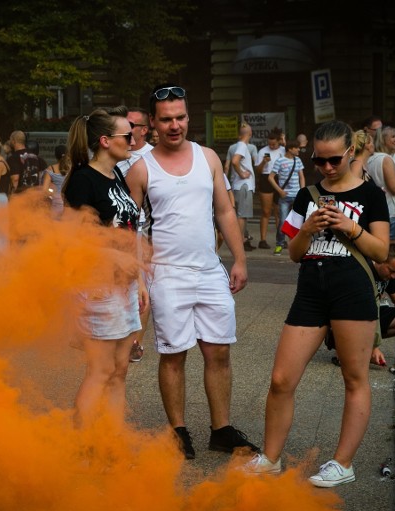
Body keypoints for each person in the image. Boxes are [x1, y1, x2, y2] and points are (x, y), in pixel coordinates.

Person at [242, 120, 389, 487]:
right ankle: (271, 458)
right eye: (318, 161)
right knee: (281, 379)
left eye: (333, 160)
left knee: (353, 378)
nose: (326, 168)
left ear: (351, 153)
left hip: (352, 292)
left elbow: (383, 251)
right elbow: (294, 254)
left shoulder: (371, 195)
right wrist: (306, 230)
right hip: (310, 291)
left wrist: (350, 226)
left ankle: (343, 462)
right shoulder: (308, 195)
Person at [126, 84, 257, 460]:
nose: (174, 125)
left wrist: (240, 259)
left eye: (180, 117)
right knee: (174, 354)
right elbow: (130, 227)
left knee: (219, 352)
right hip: (167, 274)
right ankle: (178, 430)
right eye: (166, 119)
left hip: (209, 271)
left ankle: (221, 429)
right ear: (152, 122)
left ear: (188, 117)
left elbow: (225, 211)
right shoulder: (141, 168)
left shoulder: (208, 157)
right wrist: (138, 277)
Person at [61, 106, 148, 426]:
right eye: (127, 134)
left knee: (120, 370)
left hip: (123, 287)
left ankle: (112, 444)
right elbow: (70, 241)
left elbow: (127, 231)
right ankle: (84, 448)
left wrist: (137, 279)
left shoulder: (117, 175)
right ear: (105, 141)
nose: (134, 138)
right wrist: (113, 258)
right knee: (101, 371)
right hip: (97, 287)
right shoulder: (83, 180)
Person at [115, 108, 153, 362]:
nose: (127, 129)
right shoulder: (116, 154)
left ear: (144, 129)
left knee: (142, 289)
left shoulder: (152, 157)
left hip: (144, 233)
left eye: (132, 125)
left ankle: (135, 342)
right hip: (118, 231)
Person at [367, 127, 395, 243]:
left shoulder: (370, 158)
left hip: (379, 210)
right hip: (392, 211)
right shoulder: (386, 159)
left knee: (381, 250)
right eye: (393, 137)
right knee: (392, 250)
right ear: (383, 139)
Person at [267, 138, 304, 255]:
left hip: (297, 195)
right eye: (296, 147)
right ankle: (280, 244)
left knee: (298, 222)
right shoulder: (280, 161)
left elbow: (301, 177)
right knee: (282, 221)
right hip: (284, 197)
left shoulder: (298, 160)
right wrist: (279, 191)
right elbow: (270, 177)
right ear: (290, 149)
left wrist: (302, 192)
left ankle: (297, 245)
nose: (299, 149)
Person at [227, 124, 258, 251]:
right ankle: (239, 243)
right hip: (244, 185)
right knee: (242, 215)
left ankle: (239, 241)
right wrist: (242, 173)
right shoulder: (242, 145)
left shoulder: (239, 146)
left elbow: (230, 164)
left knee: (240, 215)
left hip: (239, 185)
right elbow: (235, 161)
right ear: (250, 134)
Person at [254, 130, 285, 249]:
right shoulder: (263, 151)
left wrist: (283, 140)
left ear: (278, 142)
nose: (271, 146)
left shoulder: (283, 150)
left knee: (279, 211)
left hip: (279, 177)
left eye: (274, 144)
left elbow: (291, 154)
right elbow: (258, 171)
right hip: (266, 178)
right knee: (266, 211)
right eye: (270, 144)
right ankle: (263, 240)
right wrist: (263, 162)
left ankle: (280, 239)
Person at [40, 144, 69, 219]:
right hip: (69, 203)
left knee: (55, 227)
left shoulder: (51, 169)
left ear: (56, 156)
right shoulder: (72, 169)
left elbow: (44, 191)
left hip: (56, 203)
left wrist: (53, 194)